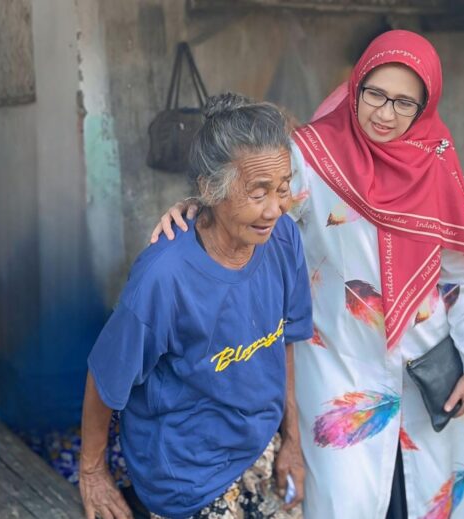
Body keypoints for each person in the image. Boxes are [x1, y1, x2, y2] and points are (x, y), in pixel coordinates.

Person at [153, 31, 464, 519]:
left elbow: (457, 279)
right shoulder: (311, 157)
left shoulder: (436, 160)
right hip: (340, 363)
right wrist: (198, 208)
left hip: (426, 371)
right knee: (345, 499)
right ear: (355, 86)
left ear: (425, 106)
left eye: (404, 102)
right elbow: (251, 199)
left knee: (425, 498)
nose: (385, 113)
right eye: (374, 94)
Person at [80, 93, 313, 519]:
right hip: (186, 474)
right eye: (258, 192)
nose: (275, 209)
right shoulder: (163, 277)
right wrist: (92, 471)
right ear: (209, 189)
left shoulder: (282, 239)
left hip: (257, 446)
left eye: (281, 189)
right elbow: (106, 375)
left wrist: (292, 441)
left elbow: (285, 342)